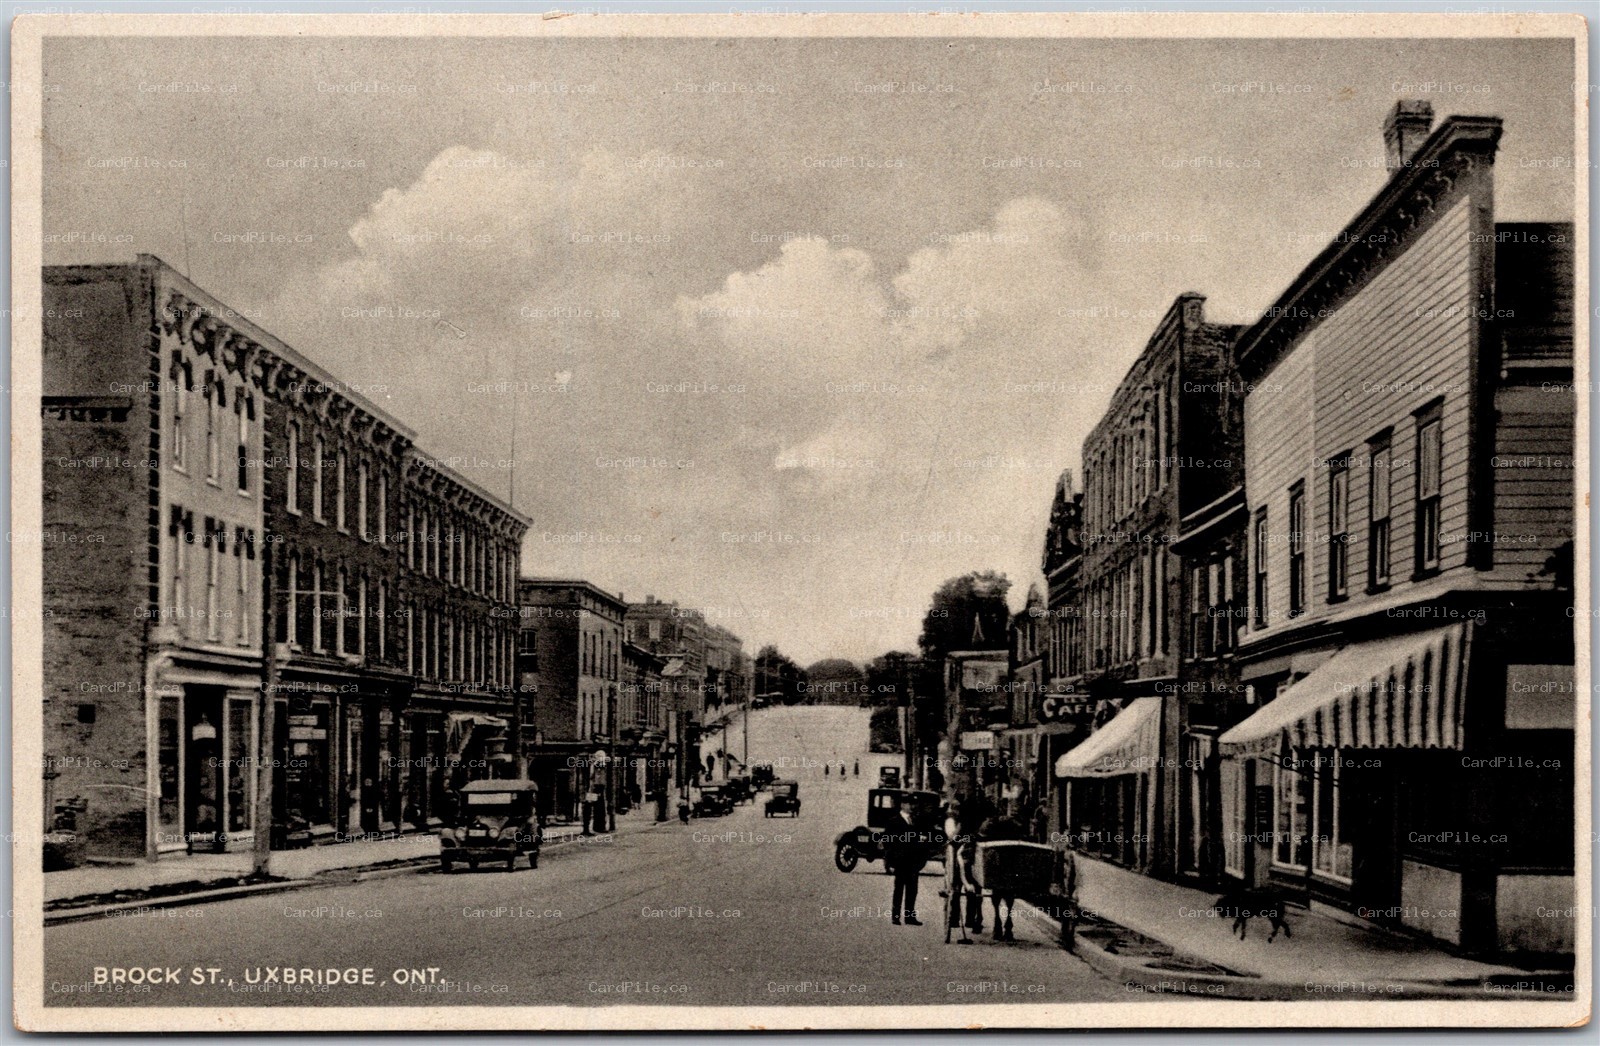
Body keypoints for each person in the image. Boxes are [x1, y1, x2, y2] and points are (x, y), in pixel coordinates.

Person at [883, 803, 928, 926]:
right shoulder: (894, 821)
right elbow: (887, 843)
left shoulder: (914, 821)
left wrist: (921, 840)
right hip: (900, 861)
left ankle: (910, 917)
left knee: (912, 890)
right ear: (902, 806)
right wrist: (889, 862)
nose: (912, 807)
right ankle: (895, 917)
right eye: (909, 804)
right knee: (899, 889)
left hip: (913, 862)